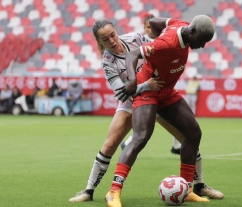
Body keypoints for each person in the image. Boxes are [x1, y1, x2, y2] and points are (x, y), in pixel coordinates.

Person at [69, 18, 223, 203]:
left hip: (159, 90)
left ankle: (195, 186)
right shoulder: (108, 62)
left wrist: (160, 38)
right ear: (99, 42)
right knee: (113, 143)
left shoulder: (135, 38)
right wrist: (145, 84)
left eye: (112, 35)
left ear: (116, 31)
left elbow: (157, 48)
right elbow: (122, 92)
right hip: (133, 96)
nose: (111, 40)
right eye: (105, 39)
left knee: (190, 135)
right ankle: (90, 190)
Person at [120, 13, 182, 155]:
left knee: (165, 116)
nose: (150, 29)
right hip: (146, 83)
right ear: (144, 28)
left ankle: (177, 145)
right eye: (147, 27)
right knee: (155, 116)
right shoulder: (143, 42)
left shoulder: (164, 41)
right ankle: (130, 142)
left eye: (152, 26)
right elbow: (133, 60)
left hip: (160, 83)